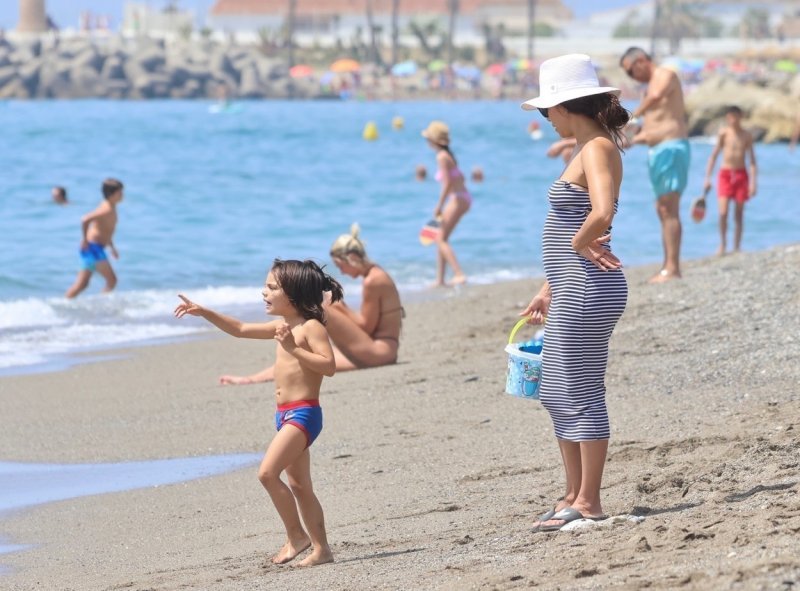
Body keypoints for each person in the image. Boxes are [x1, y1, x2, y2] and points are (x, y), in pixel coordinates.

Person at [519, 53, 629, 531]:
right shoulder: (582, 149)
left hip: (590, 288)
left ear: (565, 106)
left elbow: (602, 212)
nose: (546, 120)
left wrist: (579, 243)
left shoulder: (599, 148)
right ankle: (572, 494)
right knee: (555, 389)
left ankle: (590, 503)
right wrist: (549, 285)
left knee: (579, 390)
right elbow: (572, 222)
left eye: (547, 112)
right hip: (571, 286)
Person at [174, 259, 342, 567]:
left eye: (272, 287)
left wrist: (293, 348)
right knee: (300, 485)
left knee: (266, 473)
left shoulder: (310, 327)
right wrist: (205, 312)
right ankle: (322, 549)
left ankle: (297, 537)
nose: (263, 292)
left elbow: (329, 366)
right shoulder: (284, 328)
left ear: (293, 294)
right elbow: (239, 329)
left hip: (304, 415)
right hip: (284, 415)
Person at [219, 225, 403, 385]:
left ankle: (257, 374)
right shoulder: (376, 274)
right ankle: (252, 379)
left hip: (379, 351)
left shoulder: (373, 281)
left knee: (318, 310)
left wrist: (340, 306)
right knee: (303, 357)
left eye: (341, 265)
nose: (341, 271)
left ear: (352, 258)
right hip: (381, 350)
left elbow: (366, 326)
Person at [620, 47, 690, 283]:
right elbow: (648, 127)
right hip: (656, 150)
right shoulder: (648, 90)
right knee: (662, 209)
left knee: (669, 207)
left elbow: (656, 98)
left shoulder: (665, 75)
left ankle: (672, 268)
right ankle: (667, 266)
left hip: (671, 148)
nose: (632, 77)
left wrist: (630, 118)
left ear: (641, 61)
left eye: (630, 71)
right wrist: (630, 138)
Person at [702, 106, 758, 255]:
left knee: (739, 213)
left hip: (741, 174)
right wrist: (707, 178)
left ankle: (737, 246)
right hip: (725, 174)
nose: (732, 120)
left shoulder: (746, 135)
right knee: (723, 212)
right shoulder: (724, 133)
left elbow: (752, 161)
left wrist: (753, 183)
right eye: (729, 117)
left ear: (740, 116)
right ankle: (722, 244)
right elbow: (713, 156)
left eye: (734, 116)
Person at [422, 120, 471, 286]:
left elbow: (448, 183)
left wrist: (439, 205)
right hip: (460, 197)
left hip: (458, 198)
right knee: (441, 237)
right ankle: (440, 279)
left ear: (433, 140)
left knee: (439, 238)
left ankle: (459, 273)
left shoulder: (442, 157)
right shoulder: (448, 155)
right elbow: (460, 178)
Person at [64, 178, 124, 298]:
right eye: (120, 192)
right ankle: (100, 304)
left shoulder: (110, 206)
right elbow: (85, 219)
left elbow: (106, 230)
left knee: (83, 284)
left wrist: (112, 247)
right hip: (92, 248)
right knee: (111, 280)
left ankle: (64, 304)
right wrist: (85, 240)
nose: (122, 195)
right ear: (112, 194)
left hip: (95, 248)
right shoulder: (106, 209)